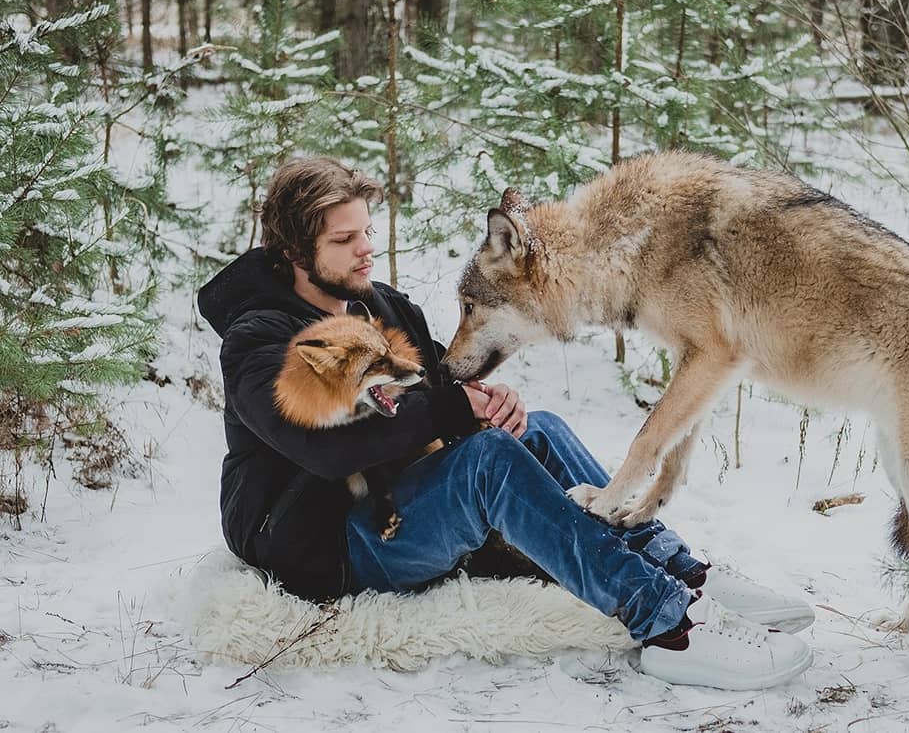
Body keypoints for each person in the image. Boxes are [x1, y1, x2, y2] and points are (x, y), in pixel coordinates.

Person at [197, 156, 816, 691]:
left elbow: (435, 406)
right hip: (324, 541)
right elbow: (324, 448)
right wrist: (452, 411)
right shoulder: (262, 339)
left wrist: (487, 404)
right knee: (487, 463)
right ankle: (667, 626)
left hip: (396, 498)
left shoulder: (383, 307)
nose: (366, 249)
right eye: (344, 240)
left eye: (366, 231)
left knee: (533, 429)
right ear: (293, 253)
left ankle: (682, 571)